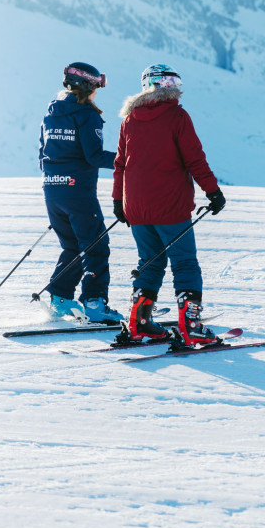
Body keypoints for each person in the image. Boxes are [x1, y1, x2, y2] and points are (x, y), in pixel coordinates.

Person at [112, 63, 226, 344]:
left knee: (149, 262)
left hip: (136, 207)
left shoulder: (129, 120)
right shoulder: (177, 116)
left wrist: (118, 202)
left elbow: (120, 166)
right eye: (172, 84)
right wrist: (213, 192)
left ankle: (139, 323)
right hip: (170, 206)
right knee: (185, 263)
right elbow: (194, 159)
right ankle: (190, 327)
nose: (176, 89)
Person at [39, 61, 123, 323]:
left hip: (52, 190)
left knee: (72, 246)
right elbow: (94, 155)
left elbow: (42, 153)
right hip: (78, 192)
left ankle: (61, 299)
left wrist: (58, 182)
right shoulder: (87, 115)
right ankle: (95, 304)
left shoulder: (51, 114)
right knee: (96, 246)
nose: (98, 92)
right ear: (88, 86)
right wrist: (129, 158)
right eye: (97, 86)